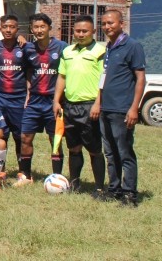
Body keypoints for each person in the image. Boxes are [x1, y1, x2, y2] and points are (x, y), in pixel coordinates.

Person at [54, 15, 107, 197]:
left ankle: (99, 187)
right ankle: (75, 183)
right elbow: (62, 77)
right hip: (70, 106)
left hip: (89, 106)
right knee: (73, 148)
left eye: (85, 31)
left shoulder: (100, 52)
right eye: (78, 31)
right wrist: (56, 100)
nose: (81, 34)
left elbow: (103, 80)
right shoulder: (67, 52)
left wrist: (97, 104)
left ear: (93, 32)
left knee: (94, 149)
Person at [99, 10, 146, 206]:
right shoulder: (109, 47)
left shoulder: (132, 46)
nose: (107, 27)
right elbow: (103, 78)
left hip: (122, 109)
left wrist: (134, 108)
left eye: (111, 23)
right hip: (106, 109)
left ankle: (129, 194)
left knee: (124, 151)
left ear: (121, 23)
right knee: (110, 152)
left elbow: (141, 79)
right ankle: (115, 189)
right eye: (104, 24)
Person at [16, 13, 67, 186]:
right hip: (34, 101)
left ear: (49, 28)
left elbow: (66, 73)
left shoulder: (61, 47)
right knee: (25, 138)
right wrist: (28, 93)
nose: (39, 30)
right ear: (32, 29)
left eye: (42, 27)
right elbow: (28, 71)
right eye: (35, 27)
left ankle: (57, 178)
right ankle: (26, 176)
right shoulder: (28, 49)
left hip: (53, 102)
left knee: (55, 140)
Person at [0, 14, 27, 168]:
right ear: (0, 29)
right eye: (5, 27)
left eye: (12, 27)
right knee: (1, 134)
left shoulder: (25, 47)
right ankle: (0, 169)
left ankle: (23, 170)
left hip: (19, 98)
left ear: (17, 29)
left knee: (20, 136)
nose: (8, 30)